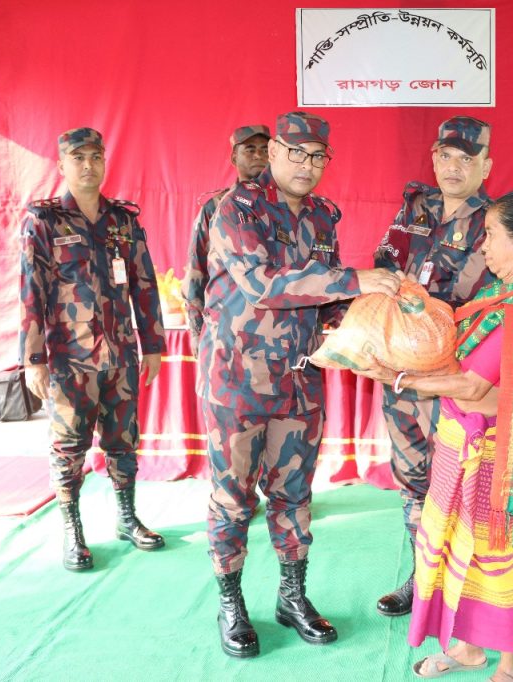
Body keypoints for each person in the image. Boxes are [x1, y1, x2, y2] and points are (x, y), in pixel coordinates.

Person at [200, 110, 401, 658]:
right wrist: (355, 279)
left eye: (318, 156)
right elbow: (264, 286)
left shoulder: (321, 216)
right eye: (296, 153)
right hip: (237, 381)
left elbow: (323, 300)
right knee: (233, 497)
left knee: (294, 495)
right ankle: (231, 605)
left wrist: (370, 314)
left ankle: (292, 597)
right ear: (272, 153)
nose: (307, 165)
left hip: (299, 378)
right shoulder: (236, 209)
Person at [357, 189, 513, 682]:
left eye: (491, 235)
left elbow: (473, 385)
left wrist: (398, 378)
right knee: (455, 546)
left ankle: (512, 667)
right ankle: (468, 648)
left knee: (494, 557)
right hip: (458, 443)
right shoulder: (499, 296)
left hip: (489, 455)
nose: (484, 245)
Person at [18, 127, 167, 572]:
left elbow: (144, 283)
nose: (88, 166)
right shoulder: (44, 222)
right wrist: (33, 359)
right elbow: (31, 294)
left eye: (96, 157)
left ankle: (127, 518)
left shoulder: (122, 220)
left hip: (120, 355)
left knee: (124, 442)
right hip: (70, 360)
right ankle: (73, 530)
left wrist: (153, 345)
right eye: (78, 158)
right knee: (69, 448)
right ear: (62, 165)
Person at [372, 115, 495, 617]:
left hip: (456, 373)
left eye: (466, 158)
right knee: (412, 474)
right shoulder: (415, 207)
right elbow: (385, 261)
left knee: (459, 477)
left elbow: (483, 296)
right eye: (445, 156)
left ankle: (462, 584)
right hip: (403, 367)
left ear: (486, 166)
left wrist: (421, 301)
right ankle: (422, 576)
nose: (453, 167)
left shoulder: (495, 222)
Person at [182, 124, 271, 356]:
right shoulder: (215, 208)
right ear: (234, 157)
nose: (258, 155)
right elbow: (196, 270)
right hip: (227, 334)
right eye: (249, 149)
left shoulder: (284, 207)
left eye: (265, 149)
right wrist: (195, 330)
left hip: (274, 333)